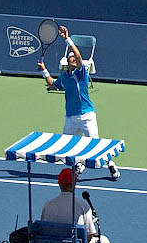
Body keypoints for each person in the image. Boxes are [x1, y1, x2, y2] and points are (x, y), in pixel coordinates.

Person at [38, 26, 120, 180]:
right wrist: (44, 70)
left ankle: (110, 165)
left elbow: (79, 55)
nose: (75, 60)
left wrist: (67, 39)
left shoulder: (81, 73)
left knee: (95, 145)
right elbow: (52, 84)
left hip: (87, 115)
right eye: (72, 59)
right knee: (68, 145)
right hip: (70, 117)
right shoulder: (64, 77)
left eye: (76, 59)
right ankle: (78, 165)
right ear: (67, 62)